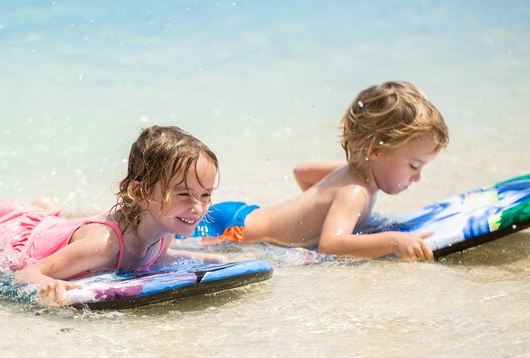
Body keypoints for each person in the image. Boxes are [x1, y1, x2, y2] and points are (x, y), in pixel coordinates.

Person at [0, 125, 224, 306]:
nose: (197, 207)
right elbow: (27, 273)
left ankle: (41, 206)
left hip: (41, 224)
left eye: (205, 195)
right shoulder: (103, 246)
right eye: (183, 195)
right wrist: (52, 289)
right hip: (8, 237)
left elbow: (160, 257)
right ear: (141, 194)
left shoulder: (163, 226)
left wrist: (213, 261)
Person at [191, 81, 449, 261]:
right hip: (234, 232)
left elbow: (301, 171)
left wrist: (317, 213)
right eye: (414, 165)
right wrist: (392, 241)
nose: (417, 177)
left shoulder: (348, 174)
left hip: (241, 215)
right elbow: (331, 246)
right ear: (375, 150)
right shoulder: (354, 191)